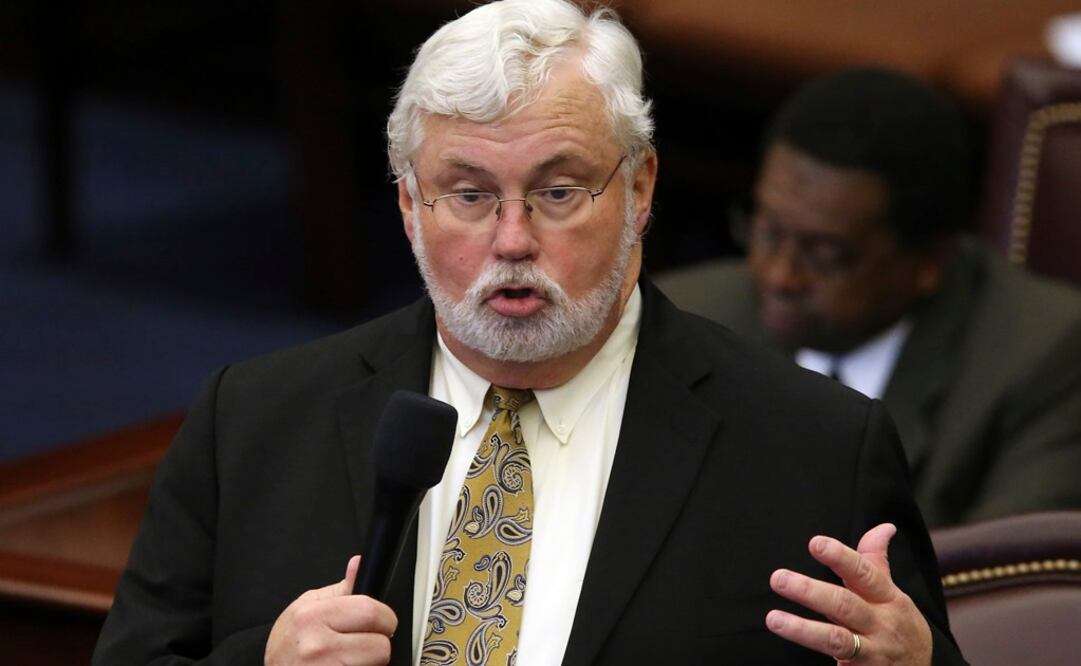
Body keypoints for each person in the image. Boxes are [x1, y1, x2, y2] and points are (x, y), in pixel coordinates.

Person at [93, 3, 967, 664]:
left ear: (640, 189)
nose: (511, 242)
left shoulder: (813, 448)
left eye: (556, 192)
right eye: (467, 195)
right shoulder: (251, 420)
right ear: (406, 204)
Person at [658, 67, 1081, 529]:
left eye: (826, 256)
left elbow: (1001, 584)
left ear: (929, 262)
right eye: (768, 232)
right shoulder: (683, 316)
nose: (780, 275)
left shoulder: (1045, 361)